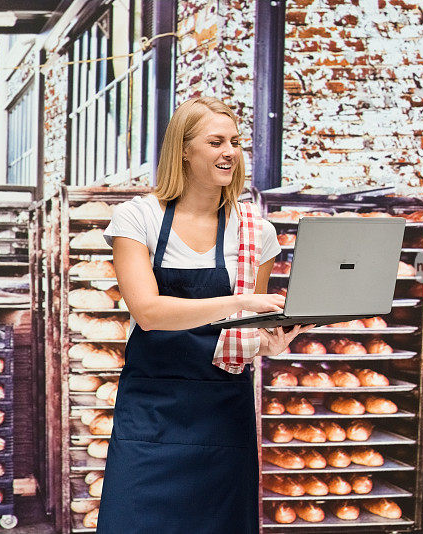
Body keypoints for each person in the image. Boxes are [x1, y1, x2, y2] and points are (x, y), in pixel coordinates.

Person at [96, 97, 311, 533]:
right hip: (152, 409)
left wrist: (271, 340)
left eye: (234, 142)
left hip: (222, 409)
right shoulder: (138, 218)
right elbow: (148, 311)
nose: (229, 151)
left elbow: (251, 329)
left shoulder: (255, 230)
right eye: (215, 142)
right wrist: (238, 302)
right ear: (184, 152)